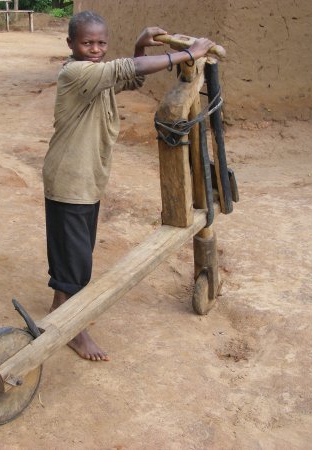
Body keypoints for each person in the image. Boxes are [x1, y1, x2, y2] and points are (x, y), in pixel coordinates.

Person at [42, 10, 215, 361]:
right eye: (86, 42)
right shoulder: (77, 73)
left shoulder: (97, 75)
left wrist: (139, 45)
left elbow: (130, 79)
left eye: (101, 43)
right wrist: (190, 53)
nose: (94, 48)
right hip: (70, 179)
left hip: (85, 178)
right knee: (76, 260)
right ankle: (75, 329)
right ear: (70, 44)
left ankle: (60, 307)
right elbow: (127, 70)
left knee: (75, 252)